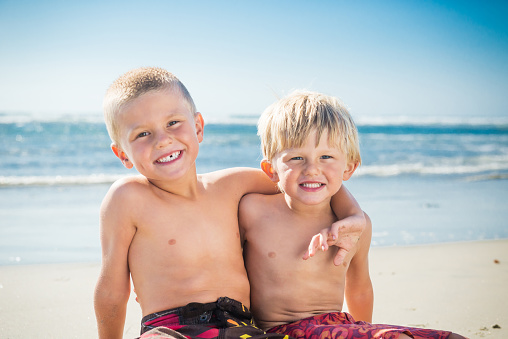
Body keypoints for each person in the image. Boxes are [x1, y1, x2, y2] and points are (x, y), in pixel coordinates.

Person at [93, 67, 367, 339]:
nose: (163, 140)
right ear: (122, 154)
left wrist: (354, 216)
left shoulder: (232, 185)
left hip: (240, 328)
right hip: (172, 329)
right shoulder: (128, 197)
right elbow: (111, 291)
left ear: (198, 127)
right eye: (142, 134)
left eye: (173, 123)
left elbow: (306, 180)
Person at [239, 91, 467, 339]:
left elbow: (359, 288)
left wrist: (366, 330)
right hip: (281, 330)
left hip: (338, 326)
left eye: (326, 157)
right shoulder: (252, 211)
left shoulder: (356, 226)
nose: (312, 169)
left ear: (349, 167)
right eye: (296, 157)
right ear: (271, 169)